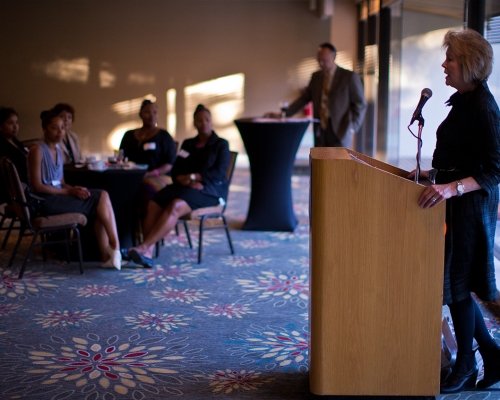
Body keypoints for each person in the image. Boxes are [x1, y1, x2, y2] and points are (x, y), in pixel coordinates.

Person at [409, 29, 500, 393]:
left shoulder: (483, 106)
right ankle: (491, 355)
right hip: (454, 203)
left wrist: (451, 186)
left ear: (470, 64)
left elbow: (495, 168)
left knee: (456, 287)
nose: (444, 65)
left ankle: (466, 364)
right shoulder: (463, 99)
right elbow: (457, 153)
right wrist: (430, 176)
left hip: (470, 207)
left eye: (450, 59)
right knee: (454, 286)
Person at [125, 104, 230, 268]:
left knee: (175, 205)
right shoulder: (188, 144)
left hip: (209, 190)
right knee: (153, 202)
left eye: (207, 120)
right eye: (199, 120)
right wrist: (183, 179)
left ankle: (144, 247)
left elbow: (218, 173)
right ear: (194, 123)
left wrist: (193, 177)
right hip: (186, 187)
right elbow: (176, 168)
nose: (204, 123)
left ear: (212, 122)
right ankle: (148, 251)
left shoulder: (221, 145)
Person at [28, 110, 122, 270]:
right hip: (44, 202)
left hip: (58, 197)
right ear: (45, 129)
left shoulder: (58, 150)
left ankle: (106, 256)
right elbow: (37, 186)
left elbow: (61, 182)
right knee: (101, 197)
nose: (60, 132)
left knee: (100, 202)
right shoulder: (37, 150)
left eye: (62, 128)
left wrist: (74, 188)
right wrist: (69, 192)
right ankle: (115, 249)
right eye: (55, 128)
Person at [266, 42, 367, 148]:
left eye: (324, 60)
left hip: (340, 131)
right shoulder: (316, 77)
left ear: (333, 57)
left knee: (338, 163)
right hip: (320, 131)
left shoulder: (348, 77)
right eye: (319, 60)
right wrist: (284, 114)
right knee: (320, 163)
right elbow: (304, 99)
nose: (321, 63)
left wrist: (352, 127)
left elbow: (360, 104)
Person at [119, 100, 177, 216]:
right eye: (147, 112)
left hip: (159, 176)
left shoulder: (164, 136)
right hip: (133, 176)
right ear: (140, 114)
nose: (151, 115)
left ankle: (147, 230)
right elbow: (121, 157)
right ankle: (124, 230)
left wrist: (150, 174)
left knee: (145, 189)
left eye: (154, 112)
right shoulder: (129, 135)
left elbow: (169, 163)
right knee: (118, 189)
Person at [0, 107, 28, 190]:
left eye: (16, 122)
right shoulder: (2, 148)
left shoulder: (16, 142)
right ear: (0, 126)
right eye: (10, 123)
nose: (15, 126)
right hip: (18, 188)